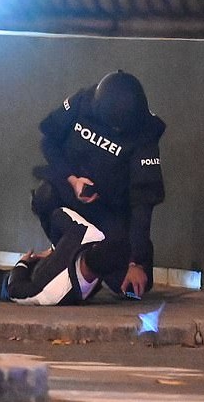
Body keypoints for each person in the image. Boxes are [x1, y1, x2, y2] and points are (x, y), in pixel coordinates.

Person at [30, 70, 166, 298]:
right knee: (45, 196)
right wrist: (73, 180)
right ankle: (63, 252)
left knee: (132, 289)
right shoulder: (82, 102)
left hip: (110, 212)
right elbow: (49, 141)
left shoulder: (145, 134)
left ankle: (82, 262)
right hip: (72, 194)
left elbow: (143, 204)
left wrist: (136, 261)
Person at [0, 207, 129, 305]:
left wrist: (24, 263)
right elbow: (58, 214)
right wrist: (52, 250)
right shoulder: (56, 291)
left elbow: (15, 290)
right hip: (37, 273)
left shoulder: (89, 235)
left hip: (33, 276)